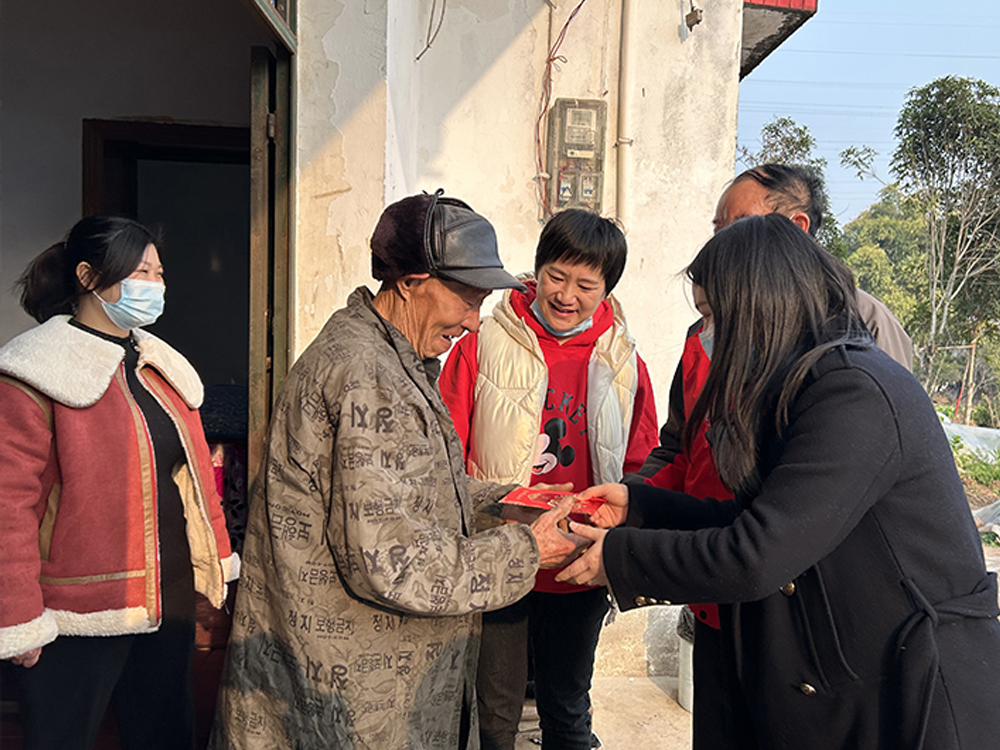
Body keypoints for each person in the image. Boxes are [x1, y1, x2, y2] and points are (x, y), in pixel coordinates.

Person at [560, 214, 1000, 750]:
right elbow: (758, 518)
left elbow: (758, 553)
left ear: (759, 306)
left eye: (714, 317)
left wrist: (621, 558)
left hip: (906, 688)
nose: (707, 337)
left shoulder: (855, 393)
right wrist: (640, 506)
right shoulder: (798, 389)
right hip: (841, 671)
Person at [209, 191, 582, 750]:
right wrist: (528, 549)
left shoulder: (389, 357)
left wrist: (512, 500)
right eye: (466, 298)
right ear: (410, 280)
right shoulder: (369, 376)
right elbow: (392, 561)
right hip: (354, 701)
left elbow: (410, 492)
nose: (474, 323)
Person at [625, 163, 915, 749]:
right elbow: (681, 450)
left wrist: (622, 554)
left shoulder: (856, 360)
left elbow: (801, 519)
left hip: (811, 613)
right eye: (716, 228)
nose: (719, 244)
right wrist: (634, 502)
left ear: (793, 230)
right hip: (721, 579)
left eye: (735, 227)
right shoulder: (715, 339)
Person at [0, 216, 236, 750]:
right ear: (88, 276)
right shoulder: (35, 369)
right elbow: (8, 505)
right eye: (140, 272)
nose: (154, 285)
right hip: (73, 613)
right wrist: (17, 616)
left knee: (164, 735)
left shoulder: (162, 368)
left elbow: (194, 481)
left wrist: (214, 561)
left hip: (165, 601)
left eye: (158, 272)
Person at [439, 208, 659, 750]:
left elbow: (643, 459)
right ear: (536, 270)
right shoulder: (481, 344)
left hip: (578, 558)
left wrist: (623, 547)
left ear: (606, 289)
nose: (567, 295)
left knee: (567, 707)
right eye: (557, 277)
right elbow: (447, 450)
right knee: (494, 712)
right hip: (500, 552)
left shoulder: (623, 361)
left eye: (586, 284)